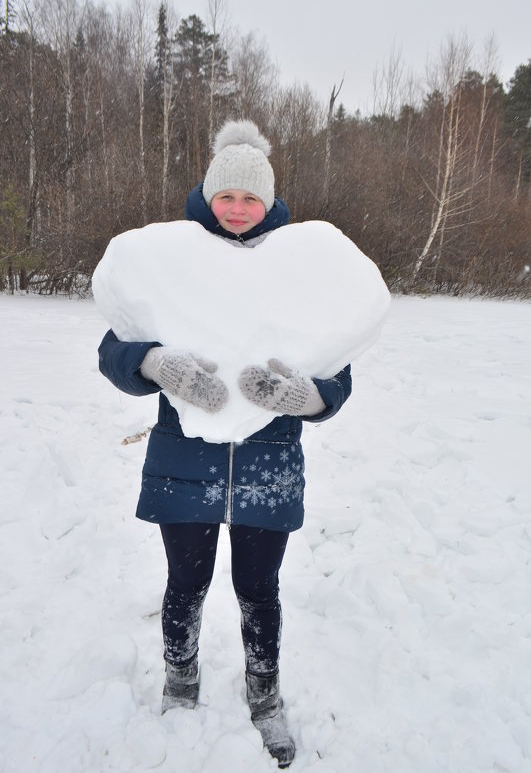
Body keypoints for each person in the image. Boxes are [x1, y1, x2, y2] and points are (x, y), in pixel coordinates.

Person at [97, 120, 352, 769]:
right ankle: (181, 680)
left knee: (257, 588)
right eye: (226, 195)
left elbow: (337, 368)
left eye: (250, 197)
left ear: (267, 202)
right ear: (208, 196)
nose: (237, 207)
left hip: (268, 463)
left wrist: (307, 395)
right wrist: (155, 363)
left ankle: (264, 694)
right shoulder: (169, 266)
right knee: (186, 582)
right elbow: (112, 348)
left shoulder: (298, 273)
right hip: (186, 461)